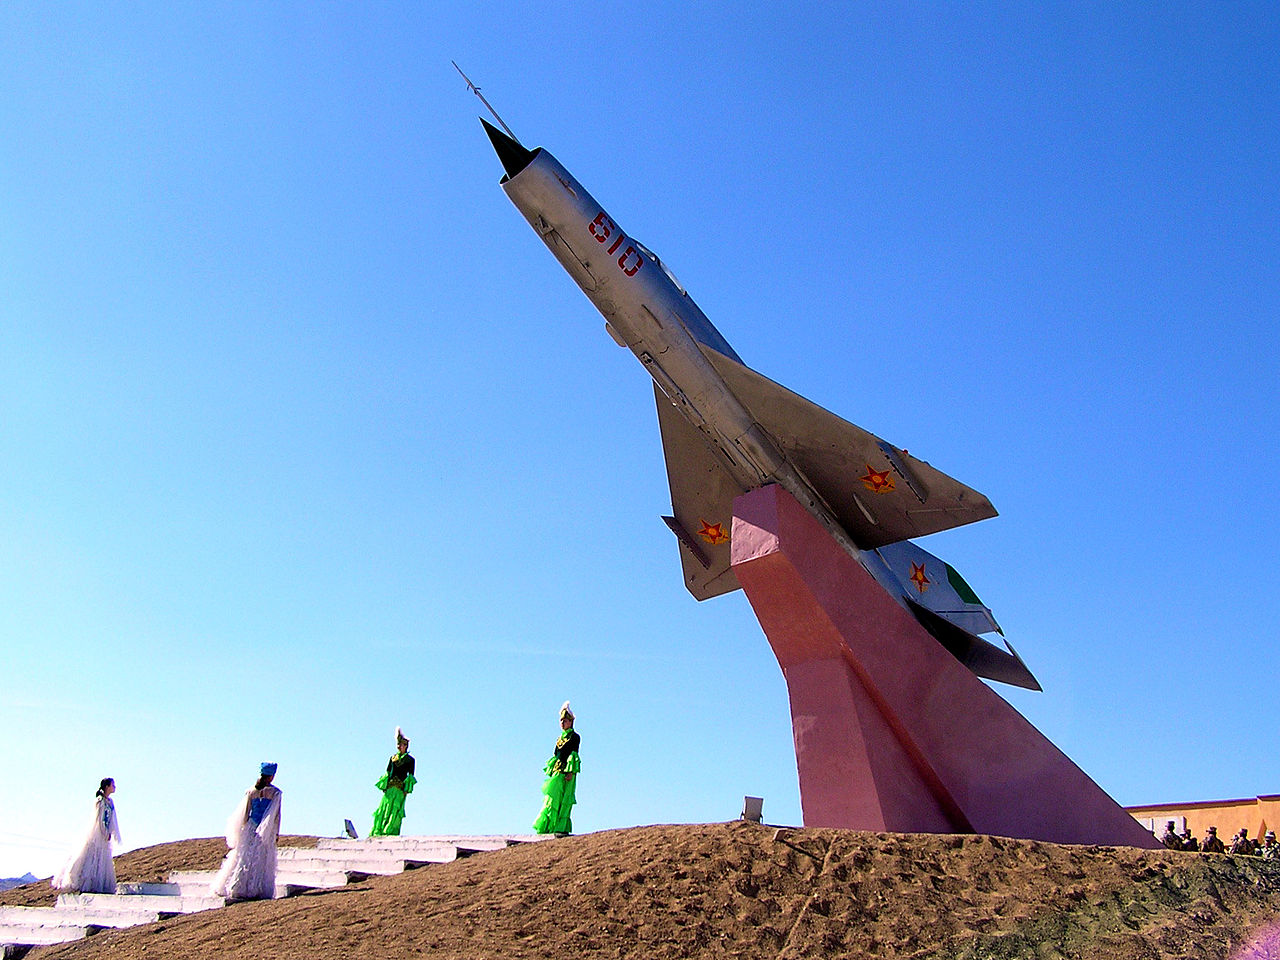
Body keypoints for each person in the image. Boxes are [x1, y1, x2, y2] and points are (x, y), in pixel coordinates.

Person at [212, 763, 283, 900]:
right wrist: (276, 832)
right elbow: (276, 815)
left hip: (250, 826)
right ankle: (254, 888)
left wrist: (244, 828)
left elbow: (245, 813)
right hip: (265, 830)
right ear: (272, 776)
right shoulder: (275, 793)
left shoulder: (251, 791)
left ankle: (238, 886)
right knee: (261, 858)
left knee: (243, 857)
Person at [53, 778, 121, 894]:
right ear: (107, 786)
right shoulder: (100, 802)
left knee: (102, 858)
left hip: (105, 834)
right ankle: (84, 882)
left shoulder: (110, 802)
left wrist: (111, 832)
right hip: (98, 834)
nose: (114, 787)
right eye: (112, 785)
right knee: (92, 856)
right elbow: (99, 819)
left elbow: (112, 819)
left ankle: (100, 884)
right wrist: (104, 831)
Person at [533, 701, 581, 836]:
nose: (562, 723)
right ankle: (549, 825)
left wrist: (571, 771)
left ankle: (559, 826)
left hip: (567, 772)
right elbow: (556, 754)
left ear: (570, 722)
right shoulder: (559, 738)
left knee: (564, 798)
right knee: (552, 798)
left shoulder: (575, 737)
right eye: (561, 721)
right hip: (557, 771)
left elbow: (574, 755)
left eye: (565, 721)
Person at [371, 728, 417, 837]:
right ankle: (379, 830)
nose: (402, 747)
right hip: (390, 788)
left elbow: (410, 776)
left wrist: (407, 789)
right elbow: (388, 772)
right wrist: (384, 785)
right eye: (401, 745)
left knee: (395, 810)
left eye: (404, 745)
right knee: (385, 809)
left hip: (400, 789)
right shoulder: (392, 758)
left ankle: (390, 831)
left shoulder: (410, 760)